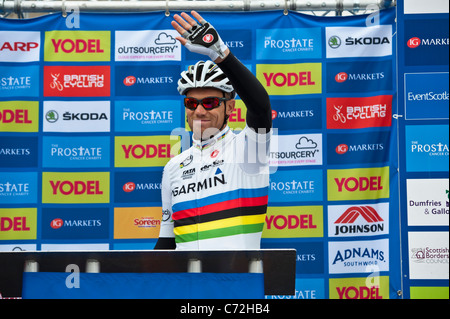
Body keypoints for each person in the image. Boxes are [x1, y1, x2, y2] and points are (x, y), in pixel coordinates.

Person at [154, 11, 272, 250]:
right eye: (191, 103)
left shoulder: (246, 151)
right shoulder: (173, 167)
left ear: (230, 107)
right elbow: (166, 242)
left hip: (237, 283)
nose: (199, 111)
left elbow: (260, 109)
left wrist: (221, 55)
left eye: (209, 102)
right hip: (190, 286)